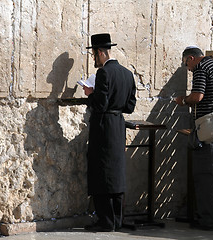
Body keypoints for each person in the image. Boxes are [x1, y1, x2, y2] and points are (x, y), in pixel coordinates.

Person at [82, 33, 137, 232]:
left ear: (99, 52)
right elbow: (130, 106)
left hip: (104, 126)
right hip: (118, 125)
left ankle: (106, 221)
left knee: (101, 171)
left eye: (94, 55)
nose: (94, 59)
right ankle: (117, 219)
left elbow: (100, 103)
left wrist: (90, 94)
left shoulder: (104, 73)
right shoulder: (127, 73)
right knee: (116, 171)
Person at [175, 46, 213, 231]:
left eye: (186, 64)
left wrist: (183, 100)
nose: (188, 69)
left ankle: (209, 221)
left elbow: (197, 96)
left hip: (209, 129)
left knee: (205, 174)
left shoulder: (202, 69)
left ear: (191, 58)